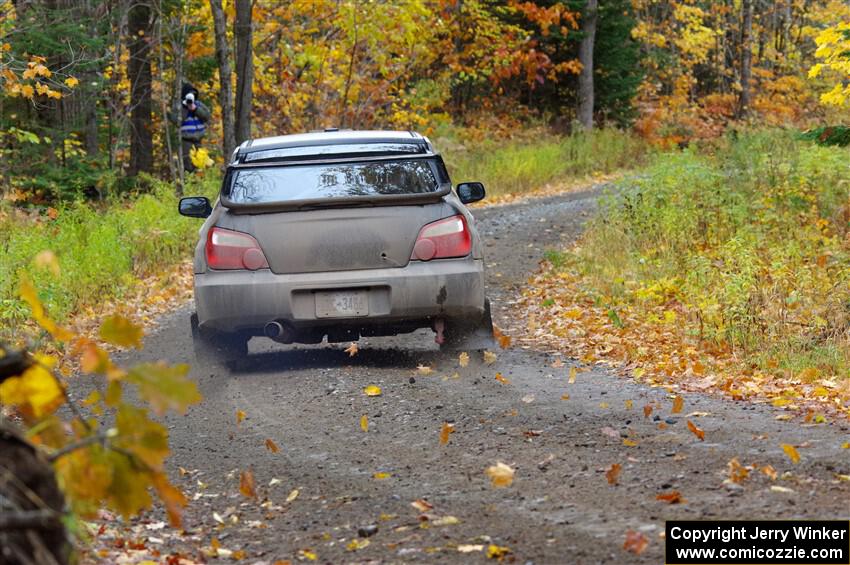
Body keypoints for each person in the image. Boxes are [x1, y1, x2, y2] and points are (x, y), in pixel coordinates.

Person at [170, 83, 211, 173]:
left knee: (201, 164)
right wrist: (185, 109)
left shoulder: (198, 104)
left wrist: (195, 109)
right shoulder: (179, 106)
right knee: (188, 165)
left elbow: (207, 116)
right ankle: (190, 182)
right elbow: (176, 121)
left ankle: (199, 183)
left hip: (199, 140)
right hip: (186, 140)